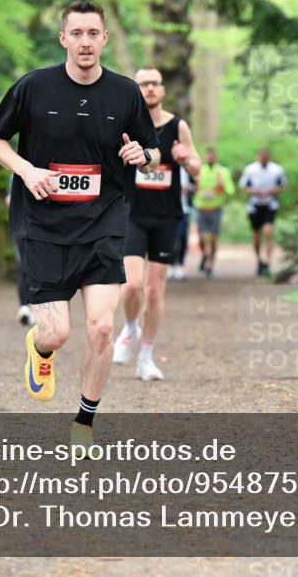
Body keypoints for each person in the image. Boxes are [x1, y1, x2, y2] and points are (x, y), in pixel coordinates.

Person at [0, 0, 160, 449]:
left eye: (92, 33)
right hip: (42, 225)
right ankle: (39, 351)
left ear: (104, 39)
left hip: (103, 222)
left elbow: (150, 149)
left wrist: (143, 155)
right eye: (76, 33)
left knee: (101, 328)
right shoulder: (35, 87)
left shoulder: (125, 93)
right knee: (57, 332)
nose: (84, 42)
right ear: (63, 38)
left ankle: (84, 422)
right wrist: (26, 170)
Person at [113, 68, 201, 381]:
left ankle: (146, 356)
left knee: (154, 290)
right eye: (143, 84)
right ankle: (129, 326)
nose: (149, 88)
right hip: (133, 213)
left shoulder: (179, 126)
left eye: (155, 83)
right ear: (135, 89)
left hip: (167, 216)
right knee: (133, 284)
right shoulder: (126, 124)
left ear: (162, 89)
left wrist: (184, 160)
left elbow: (197, 169)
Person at [240, 148, 287, 277]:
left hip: (270, 205)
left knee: (268, 231)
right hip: (254, 206)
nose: (263, 159)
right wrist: (253, 191)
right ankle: (259, 260)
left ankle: (268, 261)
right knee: (256, 235)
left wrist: (272, 191)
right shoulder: (250, 170)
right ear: (257, 157)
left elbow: (283, 186)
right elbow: (243, 186)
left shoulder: (277, 170)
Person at [192, 147, 234, 278]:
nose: (210, 158)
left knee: (214, 239)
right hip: (201, 208)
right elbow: (194, 190)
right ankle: (205, 254)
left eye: (212, 155)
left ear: (215, 157)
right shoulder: (199, 171)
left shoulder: (222, 172)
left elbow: (230, 190)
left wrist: (222, 184)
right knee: (201, 239)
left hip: (216, 209)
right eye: (208, 156)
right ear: (205, 157)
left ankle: (210, 265)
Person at [5, 175, 34, 326]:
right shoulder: (16, 173)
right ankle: (24, 306)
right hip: (22, 227)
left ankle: (36, 307)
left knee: (40, 266)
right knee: (23, 265)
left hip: (44, 229)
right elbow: (9, 199)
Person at [168, 166, 196, 280]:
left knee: (183, 236)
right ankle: (170, 265)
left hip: (184, 209)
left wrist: (188, 188)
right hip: (169, 210)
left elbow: (195, 185)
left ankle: (180, 264)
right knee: (170, 239)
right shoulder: (167, 167)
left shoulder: (187, 169)